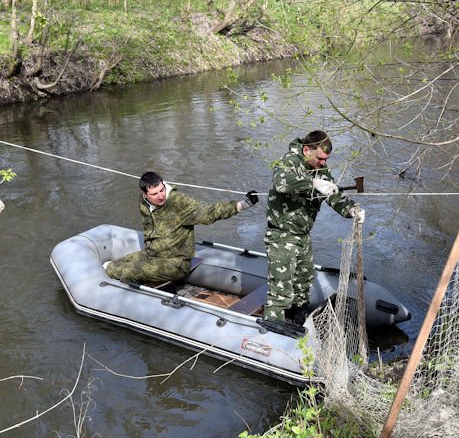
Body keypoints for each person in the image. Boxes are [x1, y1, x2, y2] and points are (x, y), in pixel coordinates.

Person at [263, 130, 365, 325]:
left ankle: (299, 317)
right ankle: (273, 326)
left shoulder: (320, 169)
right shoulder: (289, 161)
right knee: (281, 288)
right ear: (307, 150)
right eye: (320, 158)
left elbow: (334, 195)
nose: (323, 163)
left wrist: (351, 210)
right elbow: (281, 182)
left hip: (303, 235)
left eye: (326, 159)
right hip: (281, 235)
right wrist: (312, 183)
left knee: (304, 280)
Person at [105, 171, 258, 284]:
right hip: (153, 254)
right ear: (144, 194)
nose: (160, 196)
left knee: (114, 270)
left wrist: (240, 205)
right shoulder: (143, 202)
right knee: (116, 264)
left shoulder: (178, 203)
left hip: (175, 263)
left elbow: (207, 212)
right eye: (154, 194)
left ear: (164, 184)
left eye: (162, 190)